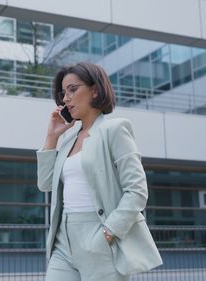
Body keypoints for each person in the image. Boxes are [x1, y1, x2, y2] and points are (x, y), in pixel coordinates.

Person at [37, 62, 162, 281]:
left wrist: (108, 233)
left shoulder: (114, 129)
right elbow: (45, 184)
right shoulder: (67, 140)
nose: (65, 98)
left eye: (73, 90)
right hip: (63, 240)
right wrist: (51, 138)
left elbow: (137, 190)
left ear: (95, 90)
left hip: (100, 236)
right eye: (63, 93)